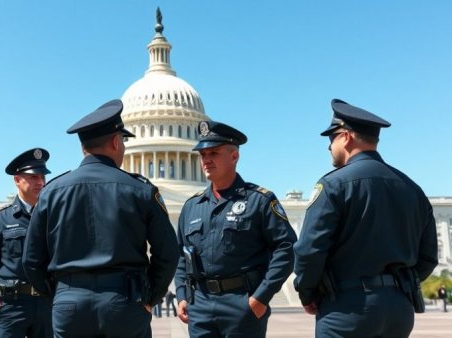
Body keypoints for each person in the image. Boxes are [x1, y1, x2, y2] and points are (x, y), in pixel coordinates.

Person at [22, 99, 179, 338]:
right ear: (116, 142)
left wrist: (60, 294)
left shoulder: (51, 192)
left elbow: (31, 259)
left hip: (69, 302)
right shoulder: (140, 190)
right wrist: (151, 297)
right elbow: (167, 252)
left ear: (83, 148)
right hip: (124, 300)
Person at [293, 99, 439, 337]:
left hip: (347, 308)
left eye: (331, 138)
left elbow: (310, 250)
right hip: (399, 310)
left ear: (346, 137)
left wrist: (308, 292)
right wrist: (398, 286)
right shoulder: (412, 188)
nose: (329, 147)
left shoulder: (333, 185)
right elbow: (428, 256)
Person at [174, 120, 297, 338]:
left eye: (214, 153)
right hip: (200, 305)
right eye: (203, 154)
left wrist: (261, 297)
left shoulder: (259, 201)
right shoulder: (192, 207)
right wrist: (182, 295)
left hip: (242, 303)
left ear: (234, 156)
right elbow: (181, 256)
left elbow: (286, 248)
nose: (206, 160)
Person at [0, 148, 53, 338]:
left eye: (43, 176)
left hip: (48, 305)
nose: (40, 182)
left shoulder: (54, 218)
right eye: (33, 177)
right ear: (17, 180)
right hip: (11, 306)